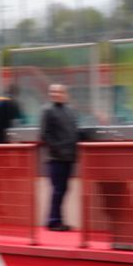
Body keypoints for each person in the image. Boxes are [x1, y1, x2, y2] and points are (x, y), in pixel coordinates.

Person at [39, 84, 80, 232]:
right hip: (56, 158)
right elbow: (44, 134)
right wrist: (57, 149)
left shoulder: (70, 111)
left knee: (63, 189)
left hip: (69, 156)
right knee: (58, 189)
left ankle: (58, 219)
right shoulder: (47, 110)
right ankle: (54, 221)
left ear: (65, 93)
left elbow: (75, 132)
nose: (55, 93)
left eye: (58, 91)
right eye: (52, 91)